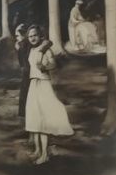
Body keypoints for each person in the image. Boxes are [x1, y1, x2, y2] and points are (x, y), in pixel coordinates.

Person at [24, 26, 73, 164]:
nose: (32, 38)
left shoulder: (46, 50)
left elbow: (53, 64)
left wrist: (44, 67)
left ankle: (45, 154)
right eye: (30, 36)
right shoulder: (32, 50)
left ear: (40, 36)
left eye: (35, 35)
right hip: (33, 84)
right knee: (34, 117)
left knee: (43, 118)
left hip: (43, 84)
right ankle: (37, 151)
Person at [14, 24, 32, 117]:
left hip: (28, 70)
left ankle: (24, 112)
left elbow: (24, 58)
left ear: (23, 35)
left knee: (25, 90)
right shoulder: (23, 44)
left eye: (17, 35)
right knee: (25, 90)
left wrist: (19, 49)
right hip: (26, 69)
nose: (16, 38)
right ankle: (24, 112)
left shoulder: (24, 44)